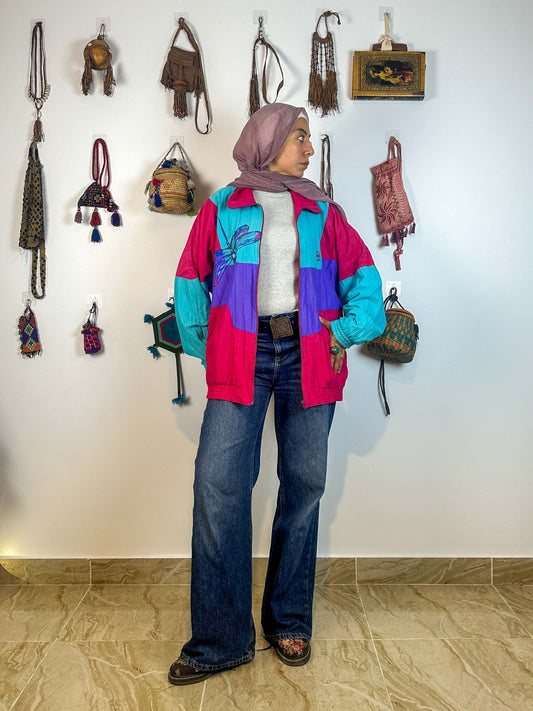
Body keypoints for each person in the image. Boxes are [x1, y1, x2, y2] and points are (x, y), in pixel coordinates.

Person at [169, 103, 385, 685]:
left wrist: (341, 332)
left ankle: (289, 619)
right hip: (243, 354)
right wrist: (209, 344)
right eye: (299, 137)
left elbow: (365, 282)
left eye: (309, 139)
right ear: (266, 142)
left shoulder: (324, 211)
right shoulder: (223, 206)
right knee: (218, 485)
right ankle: (220, 639)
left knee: (304, 486)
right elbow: (189, 279)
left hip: (310, 352)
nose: (309, 149)